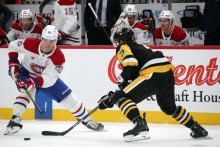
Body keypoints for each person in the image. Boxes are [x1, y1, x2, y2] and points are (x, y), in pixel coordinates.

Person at [98, 28, 208, 142]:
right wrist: (118, 92)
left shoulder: (122, 46)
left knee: (120, 96)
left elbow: (130, 63)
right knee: (169, 108)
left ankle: (139, 124)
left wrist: (117, 93)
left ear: (120, 40)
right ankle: (197, 128)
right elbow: (134, 74)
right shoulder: (140, 47)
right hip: (167, 73)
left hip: (153, 73)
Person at [4, 25, 104, 135]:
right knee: (25, 91)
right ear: (41, 38)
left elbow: (49, 79)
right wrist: (13, 63)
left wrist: (33, 82)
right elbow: (12, 45)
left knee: (69, 98)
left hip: (44, 78)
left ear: (56, 41)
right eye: (45, 40)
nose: (47, 44)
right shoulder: (30, 43)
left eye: (51, 41)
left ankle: (87, 120)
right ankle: (15, 119)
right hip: (26, 73)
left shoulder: (59, 57)